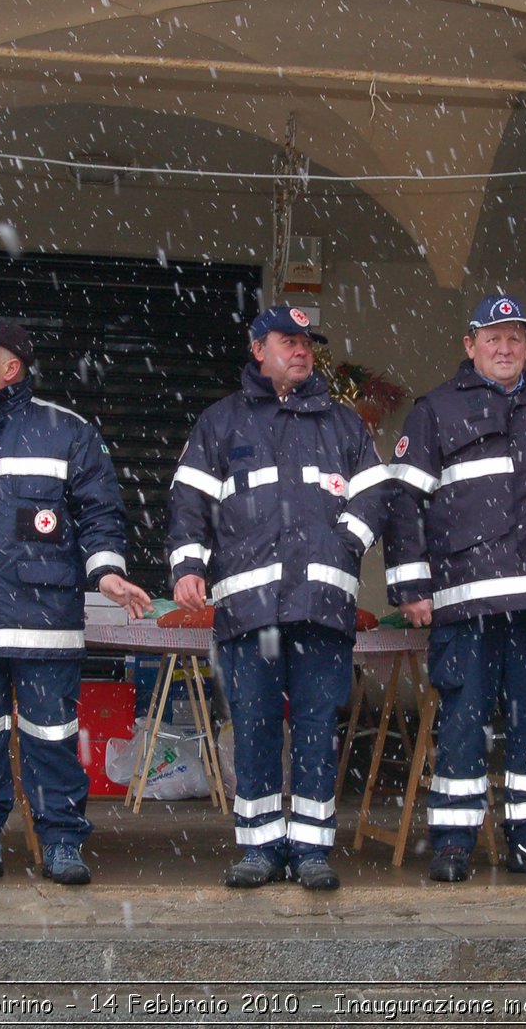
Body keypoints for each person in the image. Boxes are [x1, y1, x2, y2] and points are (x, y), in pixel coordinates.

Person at [0, 313, 151, 886]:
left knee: (51, 738)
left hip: (44, 623)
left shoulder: (67, 432)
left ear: (10, 367)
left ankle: (61, 841)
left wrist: (107, 573)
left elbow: (101, 512)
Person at [166, 305, 393, 891]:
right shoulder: (221, 423)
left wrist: (344, 544)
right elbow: (189, 502)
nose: (301, 351)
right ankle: (260, 846)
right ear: (257, 348)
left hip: (322, 604)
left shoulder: (343, 426)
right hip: (249, 609)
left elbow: (375, 496)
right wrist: (187, 566)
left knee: (318, 725)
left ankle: (314, 848)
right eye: (288, 341)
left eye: (307, 343)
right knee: (257, 723)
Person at [384, 293, 526, 884]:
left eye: (515, 338)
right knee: (463, 721)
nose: (505, 348)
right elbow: (406, 503)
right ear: (470, 346)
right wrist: (410, 584)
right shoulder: (436, 411)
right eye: (493, 337)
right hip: (466, 600)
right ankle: (454, 842)